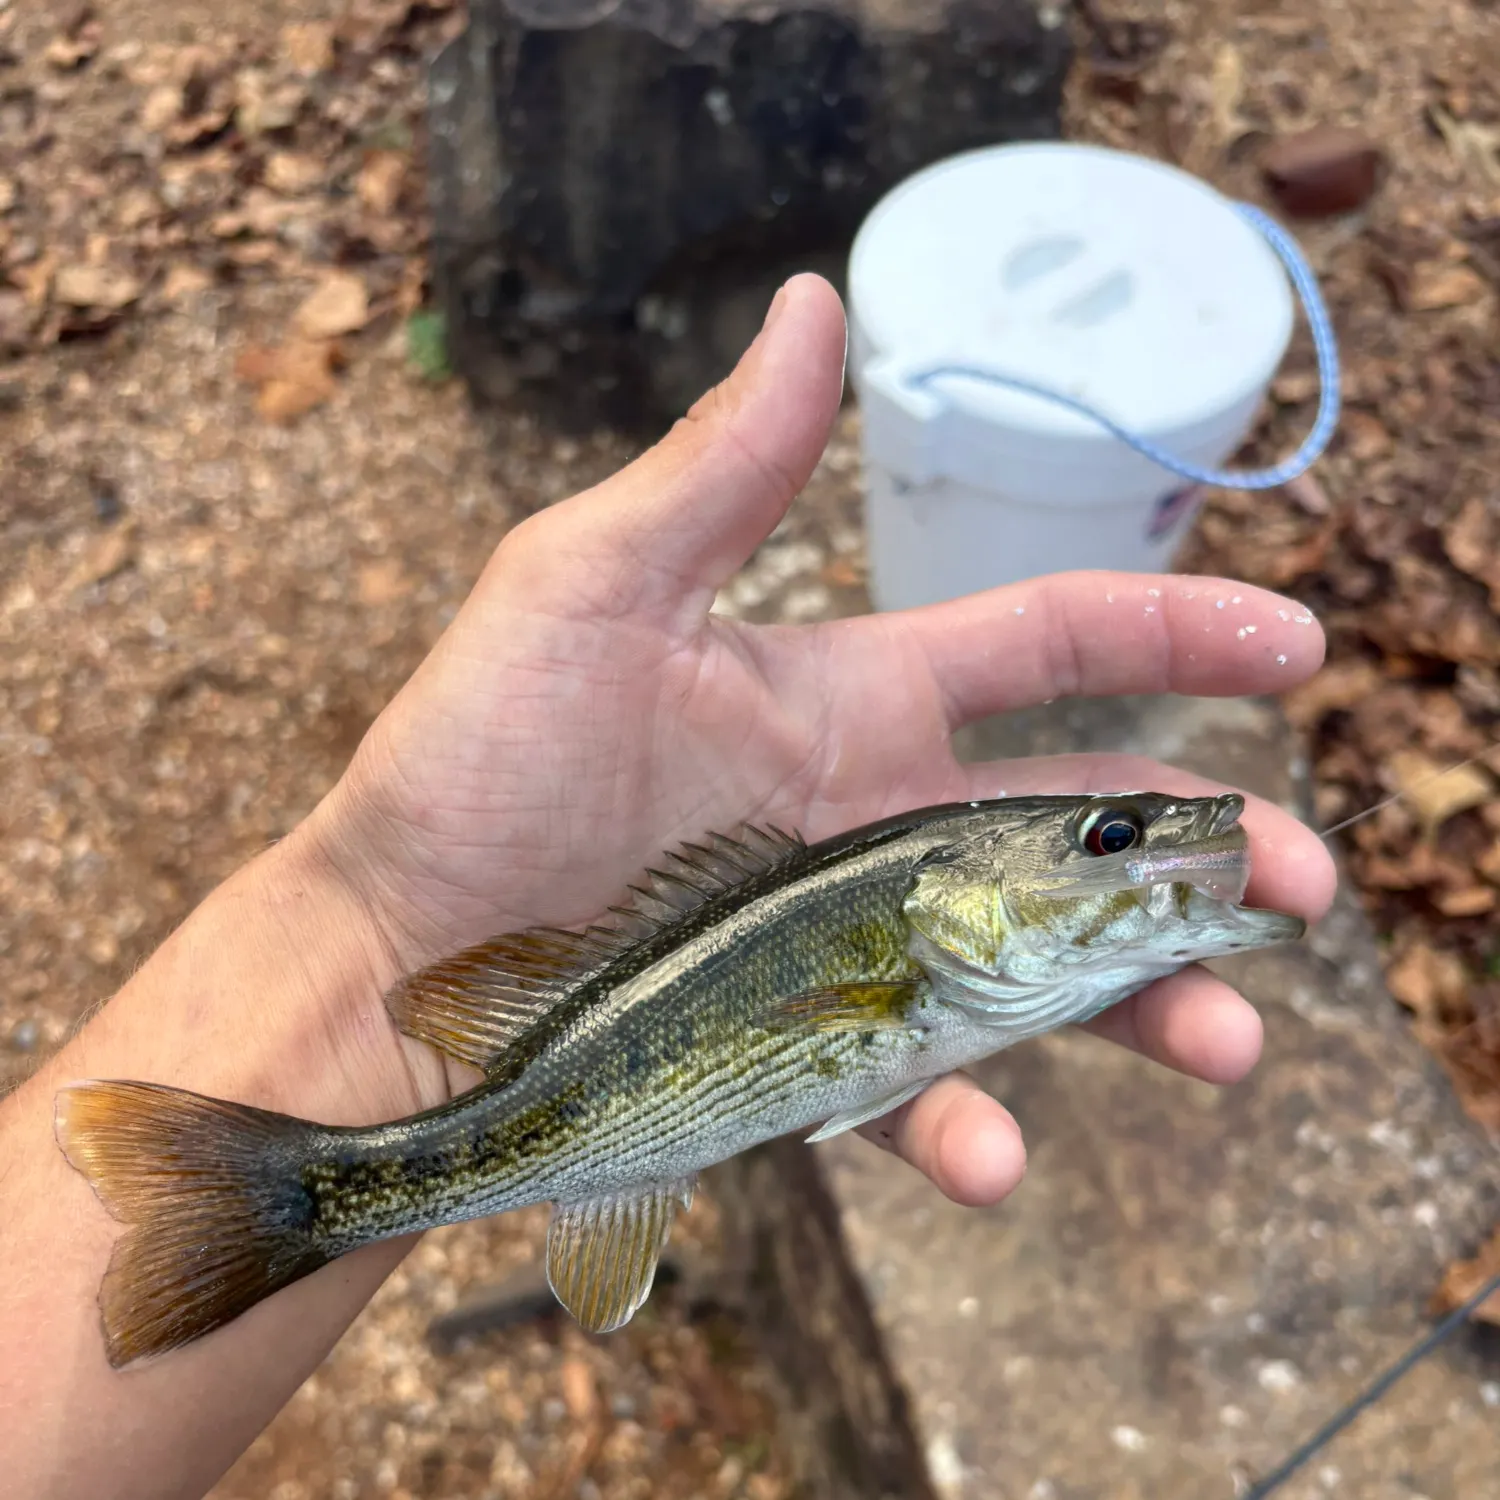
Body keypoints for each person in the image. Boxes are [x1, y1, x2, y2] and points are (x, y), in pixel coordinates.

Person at [0, 275, 1335, 1500]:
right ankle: (305, 1191)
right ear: (943, 903)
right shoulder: (891, 952)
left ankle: (304, 1190)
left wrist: (367, 941)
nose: (1143, 849)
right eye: (1109, 839)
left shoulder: (920, 954)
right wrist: (374, 927)